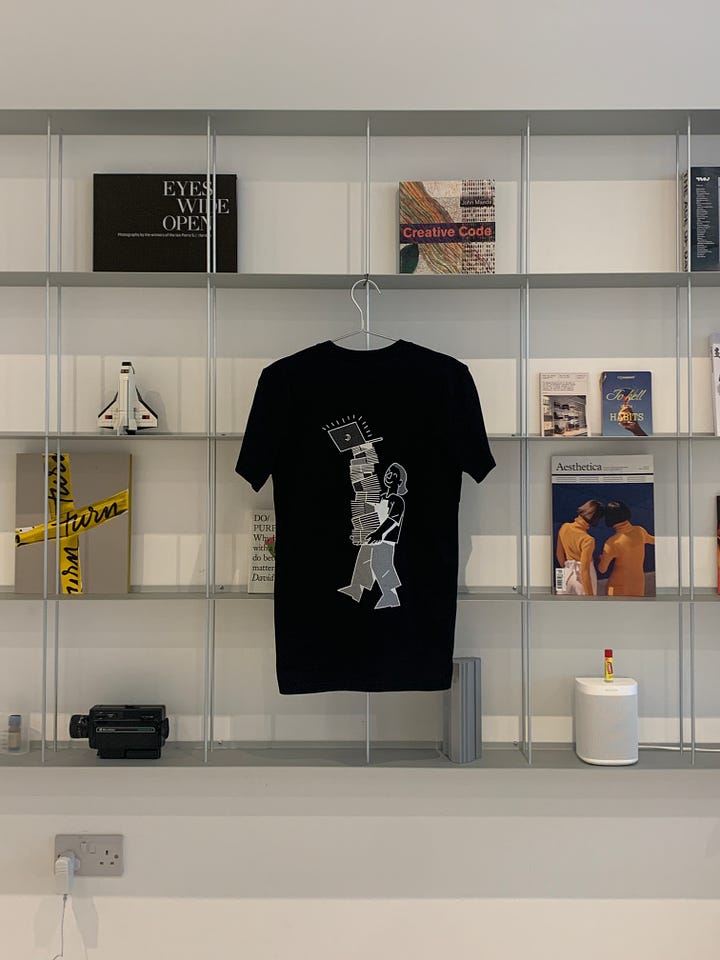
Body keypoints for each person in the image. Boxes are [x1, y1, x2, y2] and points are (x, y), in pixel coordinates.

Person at [339, 462, 408, 610]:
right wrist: (361, 533)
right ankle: (356, 588)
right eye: (388, 473)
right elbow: (371, 516)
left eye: (393, 475)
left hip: (385, 539)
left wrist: (379, 533)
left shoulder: (397, 500)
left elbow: (392, 520)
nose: (389, 476)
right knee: (362, 561)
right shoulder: (380, 496)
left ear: (400, 481)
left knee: (381, 565)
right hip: (372, 536)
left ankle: (391, 596)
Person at [597, 500, 655, 597]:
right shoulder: (640, 531)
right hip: (638, 584)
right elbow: (655, 540)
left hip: (617, 588)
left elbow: (602, 569)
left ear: (609, 519)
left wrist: (601, 558)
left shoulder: (612, 542)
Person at [555, 500, 604, 595]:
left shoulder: (564, 527)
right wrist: (590, 597)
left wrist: (567, 569)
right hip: (582, 578)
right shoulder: (588, 540)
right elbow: (585, 570)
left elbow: (559, 554)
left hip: (566, 572)